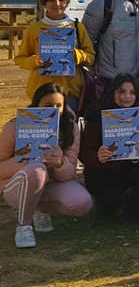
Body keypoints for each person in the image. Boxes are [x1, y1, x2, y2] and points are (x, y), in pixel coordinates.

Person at [0, 83, 92, 248]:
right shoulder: (15, 126)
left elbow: (70, 172)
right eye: (48, 106)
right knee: (37, 169)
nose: (54, 111)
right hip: (15, 185)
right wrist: (24, 160)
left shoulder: (70, 128)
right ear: (37, 105)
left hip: (50, 184)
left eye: (59, 106)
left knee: (82, 202)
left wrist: (59, 162)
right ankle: (24, 226)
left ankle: (39, 210)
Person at [79, 74, 139, 223]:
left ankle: (136, 203)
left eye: (132, 92)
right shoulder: (97, 115)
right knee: (112, 200)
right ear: (112, 92)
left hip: (129, 169)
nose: (127, 97)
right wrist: (97, 156)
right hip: (103, 173)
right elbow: (84, 151)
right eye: (121, 91)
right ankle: (109, 205)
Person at [15, 0, 95, 114]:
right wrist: (35, 61)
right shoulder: (34, 29)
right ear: (43, 2)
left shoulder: (77, 28)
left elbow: (91, 57)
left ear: (67, 2)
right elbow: (20, 59)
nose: (57, 4)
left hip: (70, 93)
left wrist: (78, 56)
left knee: (68, 131)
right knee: (43, 131)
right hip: (41, 92)